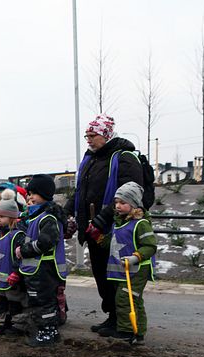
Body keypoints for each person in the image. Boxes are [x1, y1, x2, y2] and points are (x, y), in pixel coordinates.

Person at [65, 114, 144, 336]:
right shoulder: (90, 159)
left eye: (93, 135)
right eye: (86, 136)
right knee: (101, 274)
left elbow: (132, 191)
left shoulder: (124, 158)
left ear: (106, 135)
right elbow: (81, 192)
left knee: (117, 276)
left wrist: (105, 215)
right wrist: (66, 211)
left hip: (116, 229)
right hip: (94, 230)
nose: (88, 140)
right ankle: (113, 316)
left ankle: (124, 320)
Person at [99, 182, 157, 343]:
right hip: (123, 271)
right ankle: (137, 332)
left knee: (126, 299)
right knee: (132, 300)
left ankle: (127, 331)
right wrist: (99, 237)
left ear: (134, 204)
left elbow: (150, 246)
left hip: (138, 269)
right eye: (116, 202)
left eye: (122, 202)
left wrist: (136, 257)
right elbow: (112, 242)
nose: (118, 206)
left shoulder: (141, 224)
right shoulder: (118, 223)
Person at [15, 175, 68, 346]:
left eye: (33, 194)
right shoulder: (36, 216)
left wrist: (24, 250)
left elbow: (46, 243)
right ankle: (43, 329)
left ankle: (48, 333)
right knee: (37, 301)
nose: (29, 197)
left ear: (44, 194)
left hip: (44, 269)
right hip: (36, 270)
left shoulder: (48, 218)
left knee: (45, 302)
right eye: (29, 193)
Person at [0, 191, 27, 334]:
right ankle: (4, 321)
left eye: (2, 216)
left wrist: (17, 272)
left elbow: (20, 256)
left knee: (14, 301)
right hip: (0, 277)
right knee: (2, 300)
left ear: (12, 218)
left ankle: (17, 324)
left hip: (12, 278)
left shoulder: (17, 235)